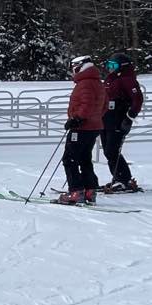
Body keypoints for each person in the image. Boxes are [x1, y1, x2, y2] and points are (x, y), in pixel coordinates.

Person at [56, 55, 106, 205]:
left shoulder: (85, 84)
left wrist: (76, 119)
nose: (73, 70)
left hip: (81, 128)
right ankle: (90, 191)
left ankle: (76, 192)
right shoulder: (97, 82)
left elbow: (87, 104)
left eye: (74, 67)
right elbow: (104, 105)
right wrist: (94, 118)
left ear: (80, 67)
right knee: (84, 159)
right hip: (94, 127)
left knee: (69, 159)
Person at [101, 52, 143, 192]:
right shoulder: (110, 79)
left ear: (122, 66)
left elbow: (137, 99)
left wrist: (129, 117)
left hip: (119, 120)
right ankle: (119, 178)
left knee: (112, 150)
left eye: (113, 65)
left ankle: (124, 179)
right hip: (106, 119)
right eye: (109, 65)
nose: (110, 68)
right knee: (108, 151)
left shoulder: (127, 79)